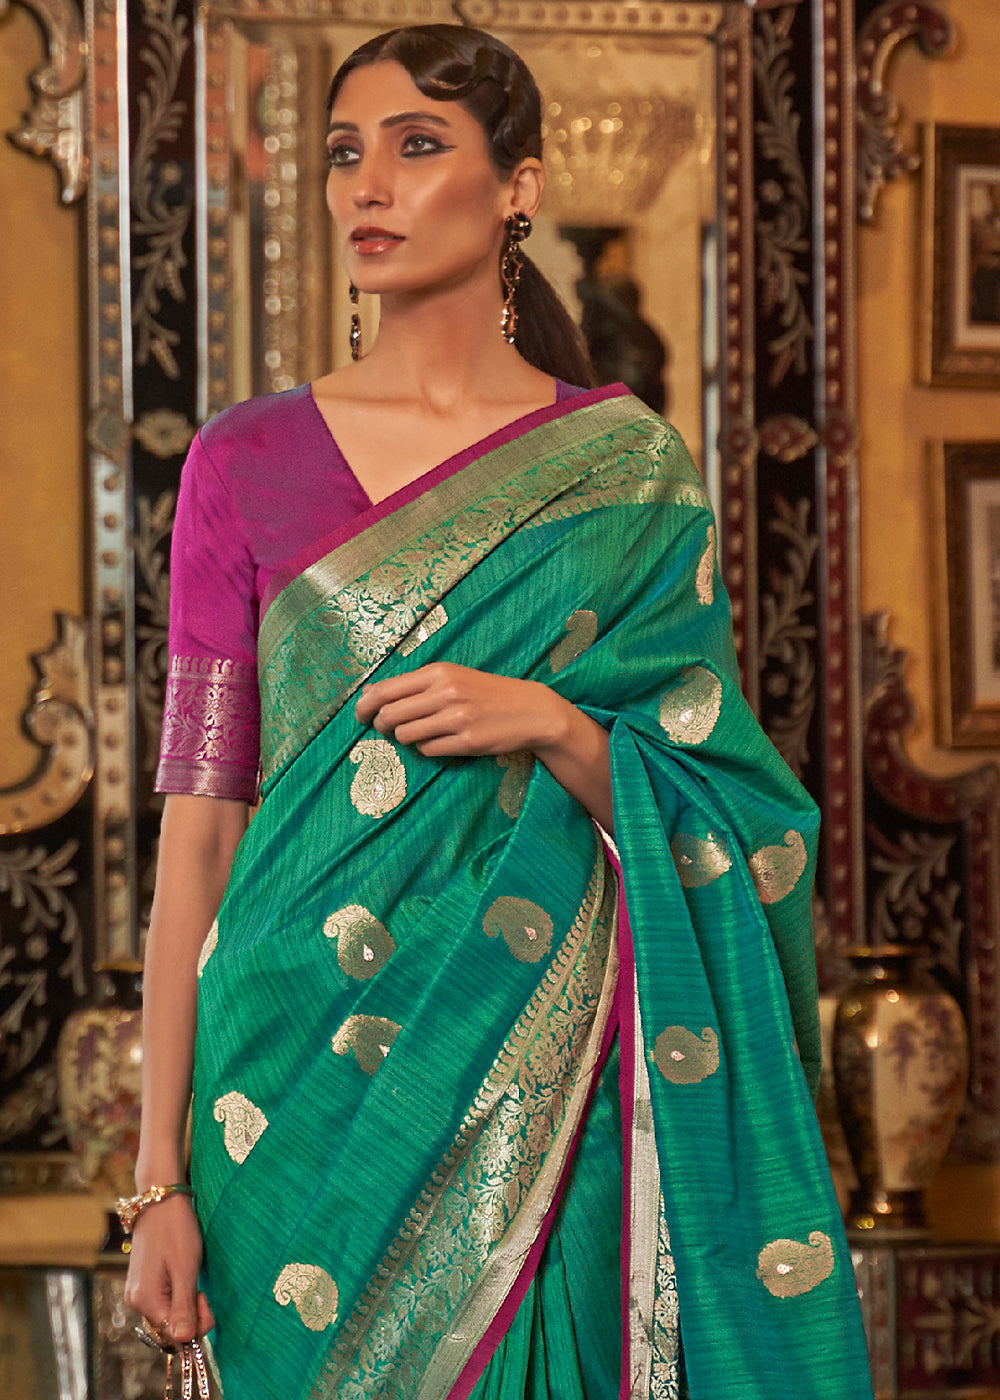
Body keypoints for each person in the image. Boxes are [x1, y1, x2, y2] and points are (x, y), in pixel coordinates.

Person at [123, 23, 875, 1400]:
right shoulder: (241, 461)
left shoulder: (627, 471)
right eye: (345, 153)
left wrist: (557, 725)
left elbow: (734, 801)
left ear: (518, 186)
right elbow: (199, 832)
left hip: (541, 1050)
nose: (368, 185)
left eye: (418, 147)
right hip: (283, 1079)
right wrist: (155, 1177)